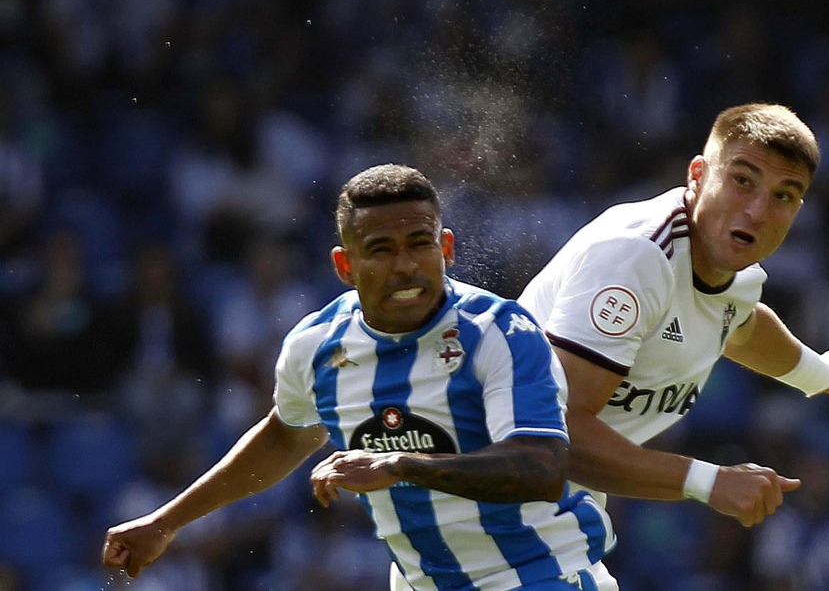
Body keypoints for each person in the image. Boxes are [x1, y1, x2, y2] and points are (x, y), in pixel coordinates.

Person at [103, 164, 614, 591]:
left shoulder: (500, 331)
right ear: (345, 266)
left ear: (447, 249)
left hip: (540, 576)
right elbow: (285, 435)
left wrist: (400, 464)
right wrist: (166, 522)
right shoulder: (317, 346)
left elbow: (541, 466)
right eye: (381, 249)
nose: (405, 266)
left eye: (420, 243)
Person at [519, 102, 829, 589]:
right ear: (698, 175)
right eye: (742, 181)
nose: (757, 211)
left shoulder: (731, 269)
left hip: (548, 515)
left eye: (783, 196)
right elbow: (552, 433)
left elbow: (740, 324)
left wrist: (822, 374)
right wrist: (709, 482)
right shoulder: (638, 257)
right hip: (490, 509)